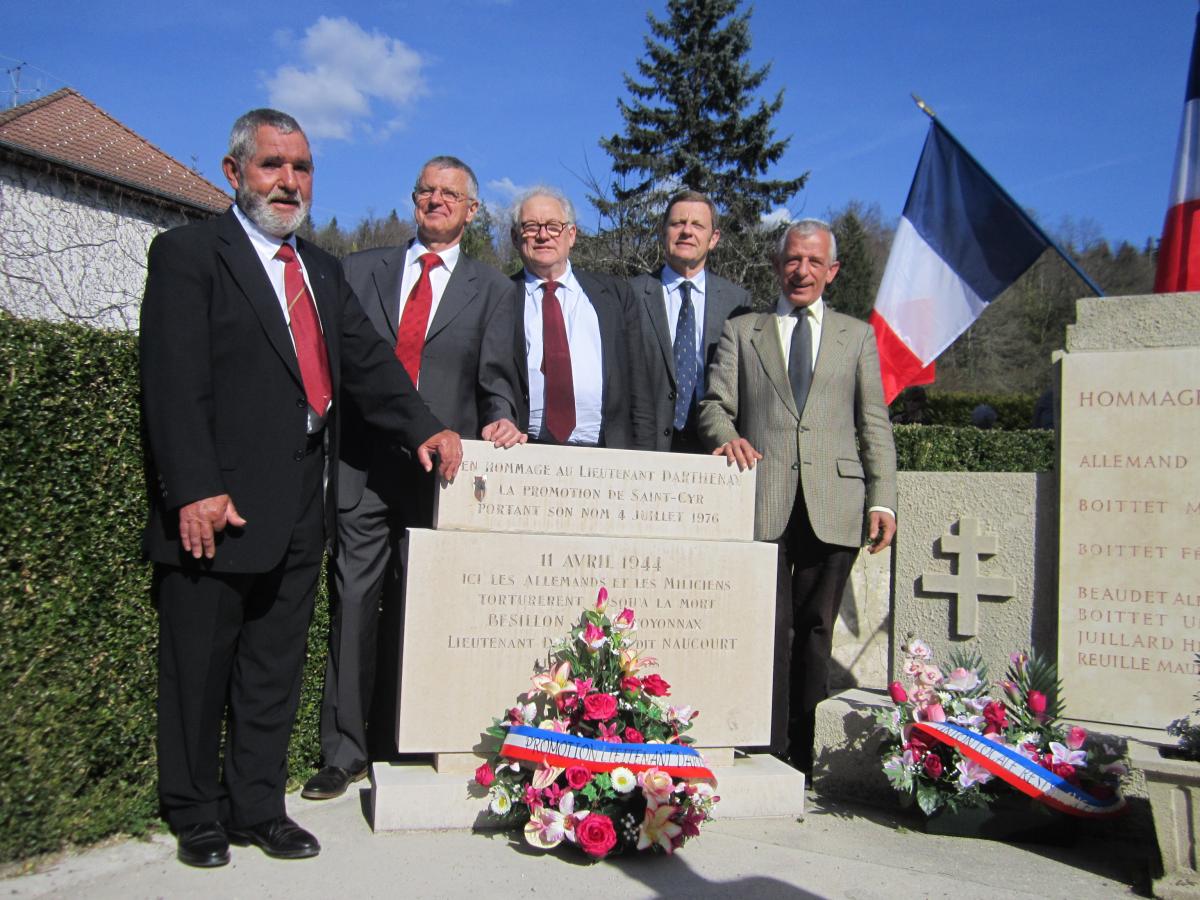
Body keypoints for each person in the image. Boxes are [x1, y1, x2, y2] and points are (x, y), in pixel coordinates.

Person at [139, 108, 462, 868]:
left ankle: (257, 805)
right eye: (273, 165)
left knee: (273, 671)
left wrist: (424, 427)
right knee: (198, 669)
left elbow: (369, 363)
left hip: (296, 514)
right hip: (215, 511)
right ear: (234, 173)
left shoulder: (320, 269)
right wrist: (193, 489)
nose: (289, 182)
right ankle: (195, 813)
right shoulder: (189, 255)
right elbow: (172, 383)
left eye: (302, 167)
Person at [303, 156, 523, 801]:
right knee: (351, 606)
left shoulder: (494, 289)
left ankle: (412, 740)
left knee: (432, 611)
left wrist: (504, 420)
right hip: (362, 467)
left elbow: (496, 379)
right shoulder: (357, 270)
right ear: (413, 200)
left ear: (473, 210)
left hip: (442, 474)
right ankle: (342, 753)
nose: (436, 201)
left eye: (450, 194)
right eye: (426, 191)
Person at [698, 218, 896, 774]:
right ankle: (762, 743)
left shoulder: (855, 336)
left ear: (832, 271)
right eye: (792, 260)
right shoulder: (744, 331)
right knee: (765, 626)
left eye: (814, 262)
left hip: (835, 504)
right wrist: (727, 436)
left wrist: (884, 498)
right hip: (763, 497)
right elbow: (714, 405)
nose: (801, 271)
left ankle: (802, 755)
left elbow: (873, 423)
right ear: (776, 265)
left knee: (814, 631)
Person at [509, 186, 653, 449]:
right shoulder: (499, 297)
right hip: (523, 452)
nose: (543, 235)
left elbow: (638, 388)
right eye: (531, 226)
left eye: (554, 226)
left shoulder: (615, 295)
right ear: (515, 238)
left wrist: (647, 459)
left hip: (605, 454)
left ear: (571, 235)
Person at [629, 190, 750, 452]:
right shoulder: (631, 294)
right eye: (677, 223)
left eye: (697, 225)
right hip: (643, 446)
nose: (686, 231)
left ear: (713, 238)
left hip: (713, 448)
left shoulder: (737, 302)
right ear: (663, 232)